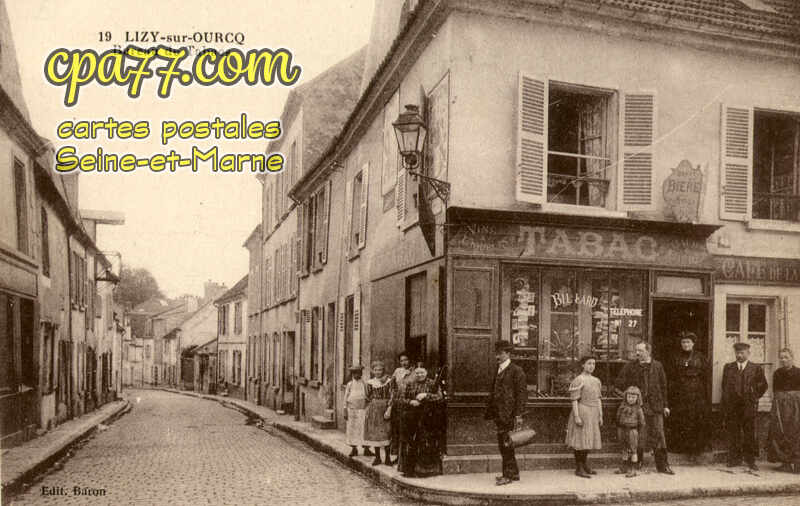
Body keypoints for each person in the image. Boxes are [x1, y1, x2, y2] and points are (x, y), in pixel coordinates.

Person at [614, 341, 674, 474]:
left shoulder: (658, 366)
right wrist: (628, 396)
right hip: (638, 408)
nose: (637, 353)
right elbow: (618, 384)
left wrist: (665, 405)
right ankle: (635, 464)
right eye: (636, 350)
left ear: (648, 351)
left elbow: (663, 387)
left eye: (640, 350)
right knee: (639, 437)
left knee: (659, 435)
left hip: (656, 407)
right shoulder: (630, 366)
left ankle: (663, 466)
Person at [484, 340, 527, 486]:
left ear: (508, 353)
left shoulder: (516, 370)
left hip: (509, 415)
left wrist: (518, 415)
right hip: (499, 414)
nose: (497, 356)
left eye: (500, 353)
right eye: (496, 353)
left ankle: (508, 475)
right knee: (504, 445)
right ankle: (512, 473)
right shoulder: (498, 368)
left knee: (507, 445)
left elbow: (521, 395)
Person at [721, 342, 768, 470]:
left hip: (748, 405)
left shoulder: (755, 368)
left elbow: (763, 385)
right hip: (733, 406)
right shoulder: (728, 367)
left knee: (749, 433)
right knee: (734, 432)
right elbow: (724, 386)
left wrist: (754, 396)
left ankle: (750, 460)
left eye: (742, 353)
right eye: (737, 352)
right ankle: (734, 459)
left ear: (748, 353)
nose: (739, 355)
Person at [668, 332, 710, 461]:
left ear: (693, 344)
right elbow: (672, 374)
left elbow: (705, 374)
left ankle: (694, 450)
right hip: (680, 393)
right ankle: (681, 448)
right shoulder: (675, 357)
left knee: (695, 419)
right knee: (682, 419)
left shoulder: (700, 357)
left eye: (688, 342)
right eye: (683, 342)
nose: (685, 345)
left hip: (696, 393)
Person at [397, 366, 445, 477]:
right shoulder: (410, 384)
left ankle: (427, 470)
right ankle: (411, 470)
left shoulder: (433, 383)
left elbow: (439, 397)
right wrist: (411, 402)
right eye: (417, 373)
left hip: (428, 418)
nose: (420, 375)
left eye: (422, 372)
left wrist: (426, 395)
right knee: (412, 443)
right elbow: (401, 399)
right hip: (412, 416)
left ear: (426, 372)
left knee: (426, 442)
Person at [565, 356, 603, 478]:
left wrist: (600, 415)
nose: (592, 366)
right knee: (580, 440)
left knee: (588, 439)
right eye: (589, 363)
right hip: (582, 411)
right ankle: (579, 467)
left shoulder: (596, 381)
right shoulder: (579, 379)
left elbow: (598, 399)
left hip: (593, 413)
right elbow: (574, 400)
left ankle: (585, 464)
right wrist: (576, 416)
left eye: (594, 363)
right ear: (583, 365)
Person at [768, 348, 800, 473]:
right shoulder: (777, 373)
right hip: (780, 406)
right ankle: (785, 462)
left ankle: (798, 463)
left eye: (786, 357)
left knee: (797, 432)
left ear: (792, 357)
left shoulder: (798, 372)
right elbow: (775, 392)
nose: (783, 360)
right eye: (781, 357)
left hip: (796, 407)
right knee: (781, 432)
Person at [364, 361, 392, 466]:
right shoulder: (370, 382)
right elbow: (367, 397)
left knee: (387, 432)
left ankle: (388, 457)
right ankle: (377, 457)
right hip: (374, 409)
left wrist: (389, 408)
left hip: (385, 408)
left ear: (383, 370)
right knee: (375, 433)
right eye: (375, 370)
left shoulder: (389, 381)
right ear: (372, 371)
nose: (378, 372)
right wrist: (369, 409)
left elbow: (392, 395)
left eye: (380, 370)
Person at [615, 386, 646, 477]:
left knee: (633, 450)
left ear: (637, 398)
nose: (631, 399)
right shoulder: (622, 407)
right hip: (622, 430)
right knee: (624, 449)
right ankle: (624, 467)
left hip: (632, 431)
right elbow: (617, 417)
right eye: (629, 397)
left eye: (633, 397)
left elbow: (642, 423)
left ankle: (633, 469)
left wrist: (638, 432)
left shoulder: (638, 409)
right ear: (626, 397)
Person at [343, 365, 373, 458]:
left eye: (359, 373)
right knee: (352, 429)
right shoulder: (350, 384)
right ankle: (354, 449)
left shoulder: (365, 384)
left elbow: (368, 396)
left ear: (361, 374)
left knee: (364, 429)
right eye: (355, 373)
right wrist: (345, 409)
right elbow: (345, 398)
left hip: (362, 409)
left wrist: (368, 405)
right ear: (352, 374)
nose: (357, 375)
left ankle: (366, 449)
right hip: (352, 410)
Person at [389, 352, 413, 460]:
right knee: (396, 429)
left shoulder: (414, 372)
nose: (404, 362)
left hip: (408, 403)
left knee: (406, 430)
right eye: (402, 360)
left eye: (406, 360)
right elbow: (392, 386)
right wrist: (392, 399)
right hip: (398, 402)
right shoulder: (397, 371)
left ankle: (405, 457)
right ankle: (398, 456)